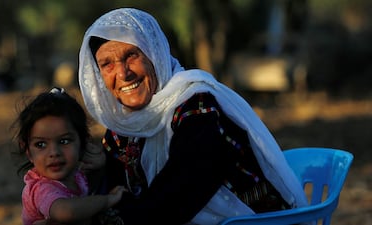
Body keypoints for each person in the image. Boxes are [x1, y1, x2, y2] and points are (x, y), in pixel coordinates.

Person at [78, 8, 308, 225]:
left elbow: (178, 195)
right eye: (107, 64)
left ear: (154, 54)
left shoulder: (196, 106)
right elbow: (118, 190)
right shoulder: (124, 127)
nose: (123, 74)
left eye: (131, 55)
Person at [12, 87, 126, 225]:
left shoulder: (76, 176)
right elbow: (67, 212)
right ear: (28, 151)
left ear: (82, 143)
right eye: (41, 144)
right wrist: (107, 200)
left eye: (64, 141)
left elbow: (89, 191)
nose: (54, 153)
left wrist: (101, 167)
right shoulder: (41, 188)